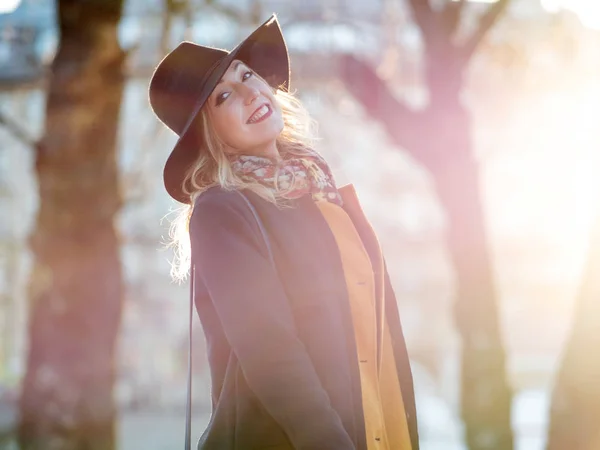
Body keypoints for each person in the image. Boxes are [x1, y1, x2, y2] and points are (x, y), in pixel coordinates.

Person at [148, 14, 419, 450]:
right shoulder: (222, 210)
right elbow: (272, 352)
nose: (250, 92)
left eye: (247, 75)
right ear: (208, 135)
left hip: (375, 425)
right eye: (224, 96)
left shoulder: (320, 192)